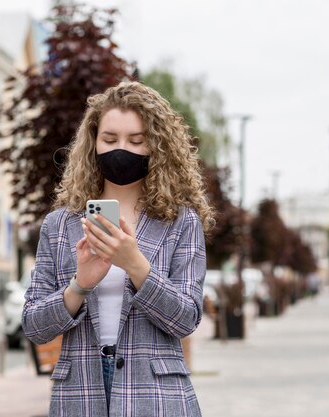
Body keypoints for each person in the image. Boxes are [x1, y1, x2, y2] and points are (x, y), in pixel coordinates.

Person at [22, 81, 214, 417]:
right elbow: (35, 326)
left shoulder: (181, 222)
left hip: (156, 395)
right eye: (110, 139)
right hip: (80, 394)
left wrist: (136, 265)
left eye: (136, 141)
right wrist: (79, 285)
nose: (120, 149)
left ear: (157, 147)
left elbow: (186, 319)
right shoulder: (59, 225)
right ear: (93, 143)